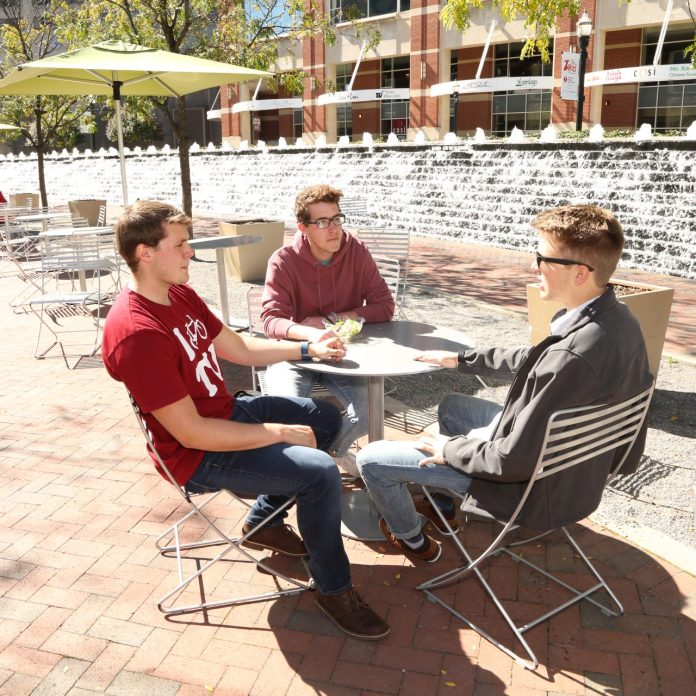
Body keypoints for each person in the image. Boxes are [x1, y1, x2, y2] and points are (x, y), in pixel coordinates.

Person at [102, 200, 389, 640]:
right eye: (180, 245)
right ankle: (333, 589)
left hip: (224, 414)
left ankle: (262, 521)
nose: (190, 254)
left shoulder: (178, 294)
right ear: (145, 253)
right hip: (196, 455)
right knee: (318, 473)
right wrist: (276, 433)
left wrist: (308, 349)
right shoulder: (137, 332)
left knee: (325, 419)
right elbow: (190, 432)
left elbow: (239, 350)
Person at [356, 204, 652, 563]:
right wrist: (461, 359)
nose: (534, 266)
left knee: (371, 459)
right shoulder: (617, 320)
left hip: (528, 490)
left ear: (579, 273)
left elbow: (510, 461)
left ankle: (412, 539)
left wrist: (450, 449)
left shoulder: (572, 359)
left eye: (542, 258)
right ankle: (444, 506)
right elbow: (536, 359)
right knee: (453, 405)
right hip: (576, 472)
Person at [261, 184, 395, 475]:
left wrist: (336, 318)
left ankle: (329, 451)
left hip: (344, 354)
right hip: (296, 355)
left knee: (371, 410)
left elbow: (384, 305)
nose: (333, 229)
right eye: (322, 222)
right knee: (288, 416)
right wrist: (310, 333)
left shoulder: (356, 251)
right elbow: (271, 321)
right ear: (303, 227)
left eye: (336, 219)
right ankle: (309, 473)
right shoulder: (283, 261)